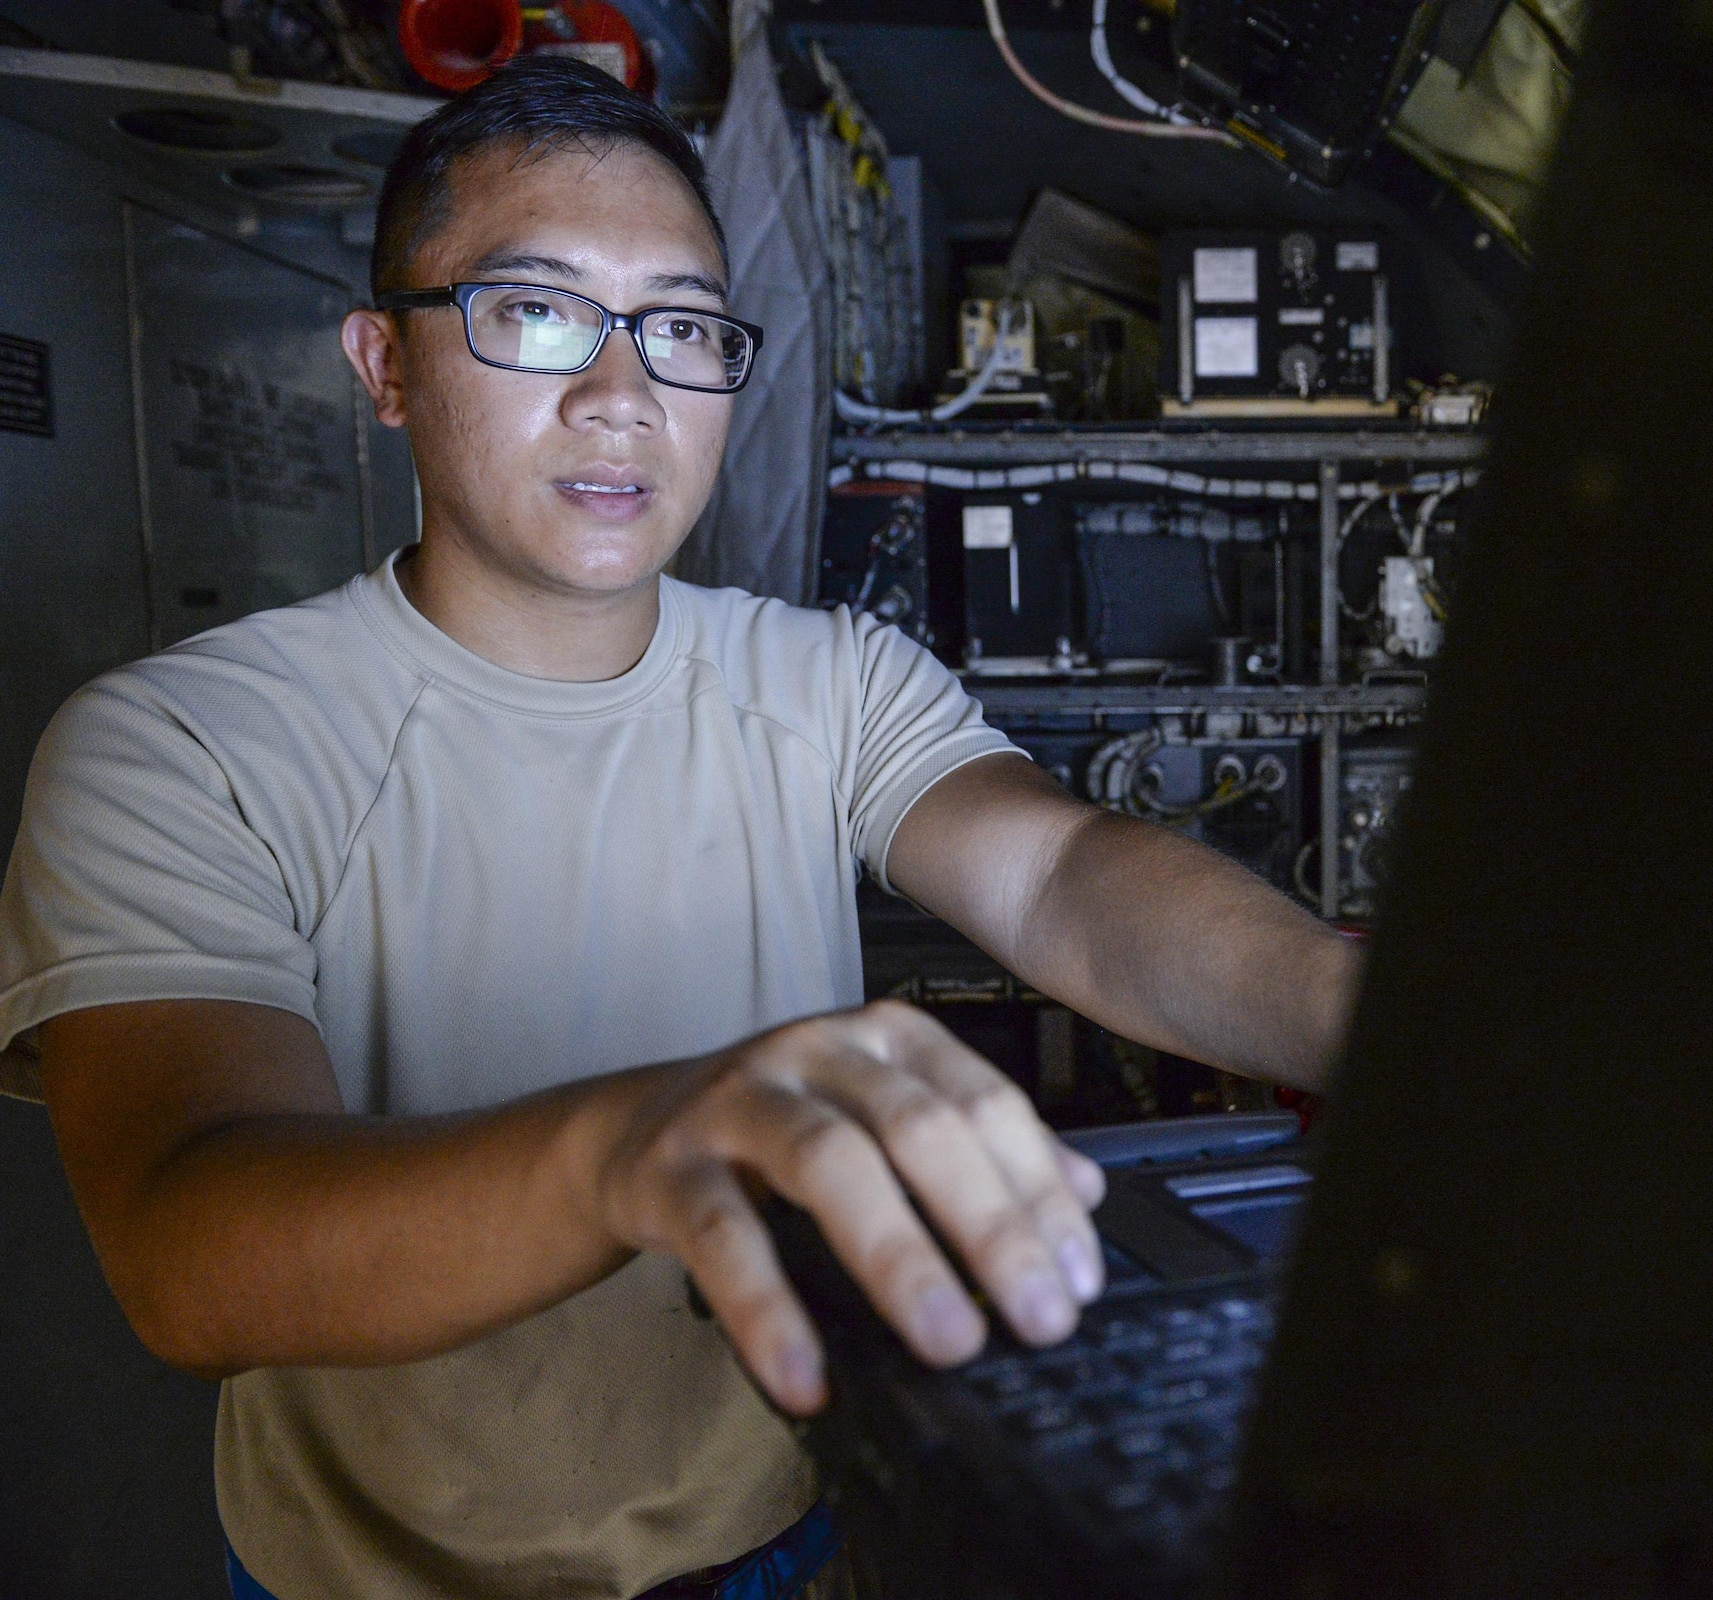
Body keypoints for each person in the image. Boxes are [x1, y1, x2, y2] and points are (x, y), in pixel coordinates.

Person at [0, 56, 1358, 1600]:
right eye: (537, 312)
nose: (623, 395)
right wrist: (626, 1148)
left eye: (683, 329)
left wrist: (1362, 1017)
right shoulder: (185, 744)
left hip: (790, 1541)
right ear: (383, 364)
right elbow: (193, 1250)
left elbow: (1055, 870)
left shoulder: (825, 677)